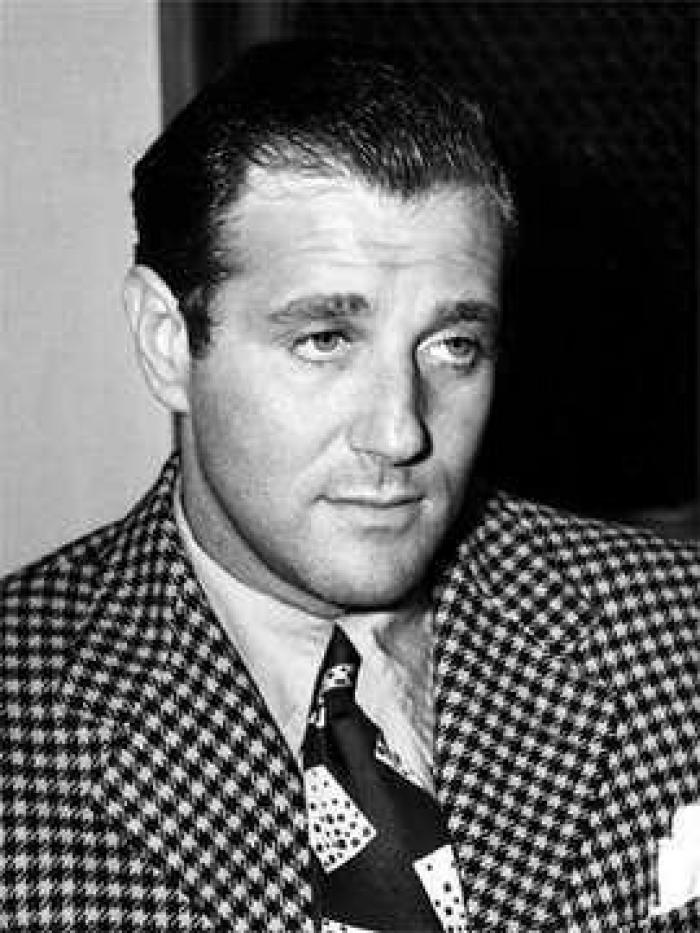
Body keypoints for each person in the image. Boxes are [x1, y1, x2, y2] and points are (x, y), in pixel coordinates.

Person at [2, 39, 698, 933]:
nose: (401, 431)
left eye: (454, 346)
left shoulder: (675, 635)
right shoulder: (26, 724)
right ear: (168, 341)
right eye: (325, 339)